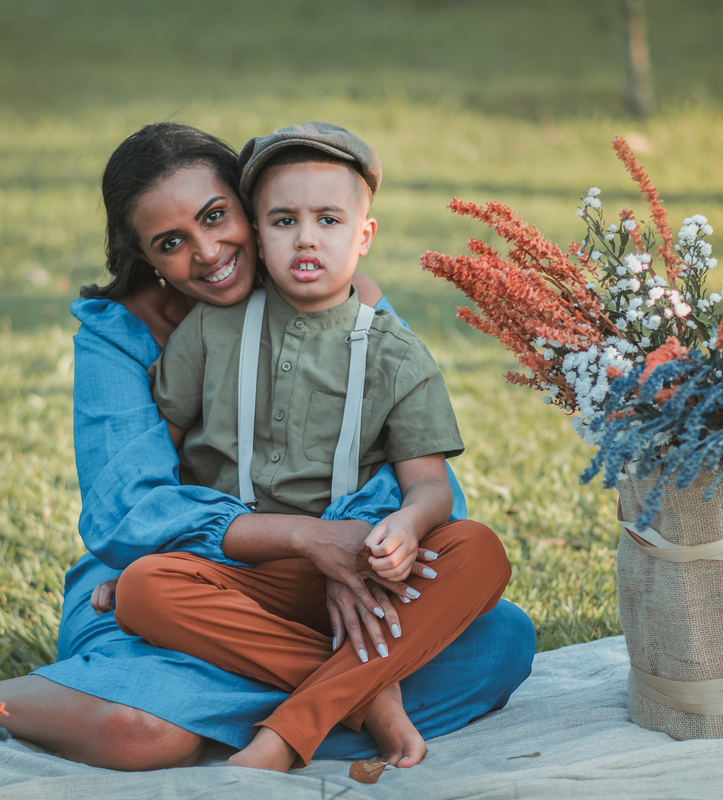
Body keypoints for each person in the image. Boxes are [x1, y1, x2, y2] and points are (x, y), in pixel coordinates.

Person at [0, 122, 537, 771]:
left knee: (499, 640)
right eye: (172, 242)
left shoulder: (345, 301)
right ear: (148, 257)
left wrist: (356, 555)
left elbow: (428, 490)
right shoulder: (117, 338)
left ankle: (276, 711)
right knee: (138, 733)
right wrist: (301, 540)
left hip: (328, 584)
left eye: (218, 217)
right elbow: (127, 515)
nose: (210, 253)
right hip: (180, 581)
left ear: (251, 211)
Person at [117, 121, 512, 772]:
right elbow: (161, 457)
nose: (306, 237)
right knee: (143, 589)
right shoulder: (210, 331)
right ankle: (370, 697)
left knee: (479, 552)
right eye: (282, 221)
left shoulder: (395, 353)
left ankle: (282, 736)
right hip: (242, 574)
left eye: (328, 220)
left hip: (358, 568)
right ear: (258, 238)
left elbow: (430, 487)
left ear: (364, 236)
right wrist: (147, 549)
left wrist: (406, 529)